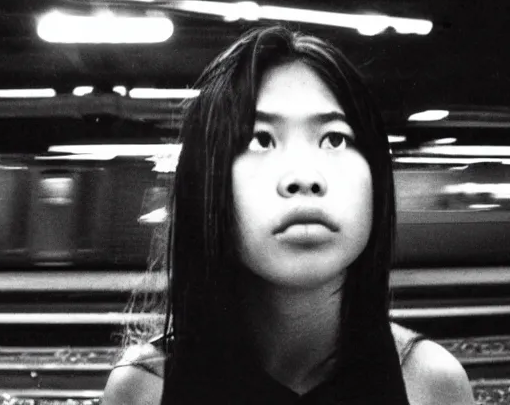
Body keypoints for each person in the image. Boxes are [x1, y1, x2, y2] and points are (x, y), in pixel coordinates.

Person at [102, 25, 475, 405]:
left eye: (335, 138)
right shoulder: (141, 391)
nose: (304, 178)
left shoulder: (433, 385)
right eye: (260, 139)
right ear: (205, 182)